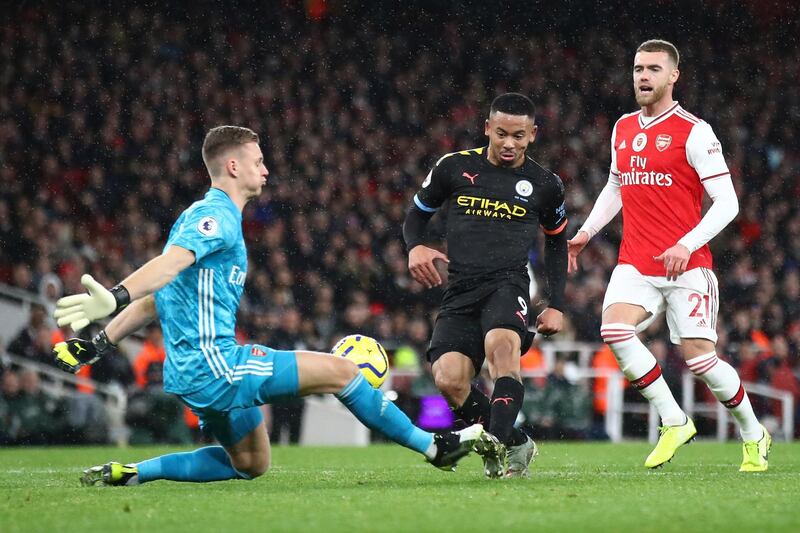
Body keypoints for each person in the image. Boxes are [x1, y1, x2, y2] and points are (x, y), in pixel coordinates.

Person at [51, 125, 491, 487]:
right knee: (342, 372)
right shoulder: (216, 217)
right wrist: (115, 295)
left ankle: (134, 473)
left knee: (251, 463)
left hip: (192, 376)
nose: (266, 169)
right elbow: (167, 268)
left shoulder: (199, 216)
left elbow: (160, 297)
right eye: (259, 161)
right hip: (216, 366)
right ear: (233, 165)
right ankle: (436, 447)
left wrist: (100, 342)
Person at [567, 40, 771, 471]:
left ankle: (754, 432)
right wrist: (586, 232)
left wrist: (687, 243)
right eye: (638, 68)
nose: (643, 76)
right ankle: (674, 420)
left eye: (654, 69)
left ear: (673, 76)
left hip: (687, 265)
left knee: (700, 360)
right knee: (614, 331)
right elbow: (616, 186)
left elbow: (728, 202)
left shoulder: (695, 131)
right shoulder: (622, 127)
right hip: (636, 261)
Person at [403, 93, 568, 478]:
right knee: (449, 379)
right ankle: (516, 443)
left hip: (507, 285)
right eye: (502, 134)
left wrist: (556, 301)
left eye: (519, 136)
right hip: (460, 288)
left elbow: (557, 241)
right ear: (487, 129)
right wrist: (415, 248)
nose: (510, 143)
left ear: (533, 135)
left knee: (502, 353)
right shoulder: (454, 167)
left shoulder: (545, 184)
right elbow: (416, 215)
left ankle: (495, 448)